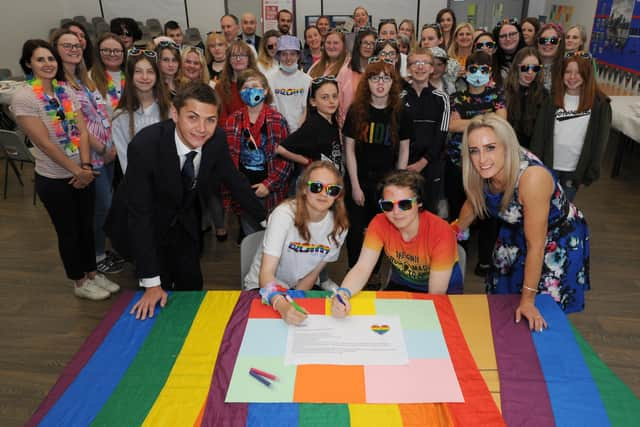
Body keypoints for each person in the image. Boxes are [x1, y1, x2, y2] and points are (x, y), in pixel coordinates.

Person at [109, 83, 265, 319]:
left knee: (191, 282)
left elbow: (235, 181)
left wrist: (269, 220)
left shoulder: (216, 140)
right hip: (145, 220)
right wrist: (151, 283)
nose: (202, 129)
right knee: (157, 289)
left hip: (183, 216)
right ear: (174, 113)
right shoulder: (145, 145)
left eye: (210, 120)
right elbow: (139, 216)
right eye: (193, 118)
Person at [456, 113, 590, 327]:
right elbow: (473, 203)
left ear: (507, 147)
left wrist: (528, 300)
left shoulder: (532, 178)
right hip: (515, 230)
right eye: (474, 151)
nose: (482, 159)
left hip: (552, 241)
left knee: (540, 312)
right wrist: (453, 232)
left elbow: (536, 245)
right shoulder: (480, 171)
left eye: (490, 147)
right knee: (501, 300)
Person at [13, 39, 116, 300]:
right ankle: (80, 281)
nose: (48, 64)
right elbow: (45, 144)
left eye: (50, 59)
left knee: (87, 225)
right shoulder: (24, 97)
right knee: (68, 231)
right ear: (28, 63)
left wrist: (84, 166)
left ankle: (92, 273)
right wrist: (76, 171)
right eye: (40, 59)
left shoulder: (65, 91)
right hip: (55, 178)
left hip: (82, 171)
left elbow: (81, 131)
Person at [331, 170, 463, 317]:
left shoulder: (441, 232)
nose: (396, 212)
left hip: (443, 292)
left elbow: (436, 293)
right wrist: (343, 294)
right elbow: (362, 267)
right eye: (388, 205)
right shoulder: (379, 223)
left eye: (404, 204)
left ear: (419, 202)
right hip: (402, 285)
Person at [245, 161, 349, 325]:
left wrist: (295, 301)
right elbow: (266, 274)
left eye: (332, 190)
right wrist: (281, 304)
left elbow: (313, 274)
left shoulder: (339, 227)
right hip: (264, 288)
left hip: (300, 288)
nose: (323, 194)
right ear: (304, 189)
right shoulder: (284, 215)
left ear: (338, 195)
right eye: (316, 187)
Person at [343, 60, 411, 267]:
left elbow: (404, 151)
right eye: (374, 78)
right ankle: (354, 269)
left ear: (393, 83)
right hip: (359, 180)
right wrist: (355, 186)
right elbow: (349, 150)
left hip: (386, 184)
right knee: (355, 231)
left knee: (381, 230)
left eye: (386, 78)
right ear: (367, 82)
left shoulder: (401, 113)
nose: (380, 83)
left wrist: (398, 186)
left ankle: (373, 273)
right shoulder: (356, 111)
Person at [531, 52, 611, 202]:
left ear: (587, 74)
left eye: (578, 72)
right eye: (568, 72)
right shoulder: (551, 100)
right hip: (549, 167)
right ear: (562, 74)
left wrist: (590, 172)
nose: (572, 77)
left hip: (574, 171)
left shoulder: (600, 104)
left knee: (563, 209)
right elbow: (539, 136)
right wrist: (536, 164)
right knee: (541, 205)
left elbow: (599, 143)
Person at [223, 69, 292, 234]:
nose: (250, 90)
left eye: (255, 86)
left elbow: (286, 160)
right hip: (245, 193)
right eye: (245, 87)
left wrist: (268, 185)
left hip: (272, 191)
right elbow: (228, 159)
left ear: (265, 90)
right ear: (240, 93)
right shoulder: (232, 120)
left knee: (275, 235)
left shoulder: (277, 120)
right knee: (251, 235)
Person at [402, 48, 449, 216]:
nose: (420, 67)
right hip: (405, 166)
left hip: (431, 166)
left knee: (429, 213)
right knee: (405, 211)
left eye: (425, 63)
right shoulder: (399, 97)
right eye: (415, 63)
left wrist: (423, 162)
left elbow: (441, 136)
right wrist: (403, 165)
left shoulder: (441, 98)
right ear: (408, 68)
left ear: (432, 68)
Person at [112, 51, 171, 173]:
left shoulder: (170, 111)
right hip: (137, 184)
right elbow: (124, 159)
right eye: (138, 71)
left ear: (157, 76)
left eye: (150, 72)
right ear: (130, 75)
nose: (145, 77)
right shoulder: (120, 115)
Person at [277, 75, 342, 171]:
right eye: (325, 97)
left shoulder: (333, 121)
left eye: (334, 96)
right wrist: (308, 162)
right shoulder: (312, 125)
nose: (331, 101)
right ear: (313, 101)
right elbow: (281, 149)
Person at [504, 47, 548, 148]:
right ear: (516, 67)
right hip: (507, 150)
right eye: (525, 68)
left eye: (535, 68)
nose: (530, 72)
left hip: (533, 152)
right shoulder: (504, 92)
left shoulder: (543, 95)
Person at [267, 35, 312, 133]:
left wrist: (298, 132)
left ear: (298, 56)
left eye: (292, 54)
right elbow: (272, 108)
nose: (288, 58)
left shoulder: (307, 80)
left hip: (301, 131)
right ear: (278, 56)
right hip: (278, 130)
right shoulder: (270, 79)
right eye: (284, 54)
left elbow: (305, 110)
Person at [337, 28, 377, 127]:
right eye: (365, 43)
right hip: (349, 125)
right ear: (358, 44)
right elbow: (339, 104)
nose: (368, 46)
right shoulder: (345, 71)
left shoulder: (378, 71)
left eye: (372, 44)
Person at [216, 40, 260, 124]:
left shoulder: (258, 84)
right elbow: (222, 119)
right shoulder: (220, 87)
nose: (238, 59)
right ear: (229, 60)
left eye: (242, 55)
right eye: (234, 55)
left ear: (249, 59)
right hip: (231, 132)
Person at [91, 33, 126, 119]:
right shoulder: (89, 78)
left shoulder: (132, 75)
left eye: (117, 51)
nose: (112, 54)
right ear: (98, 53)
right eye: (106, 50)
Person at [537, 23, 565, 92]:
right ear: (537, 42)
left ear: (560, 44)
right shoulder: (527, 65)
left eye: (553, 41)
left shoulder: (566, 69)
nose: (548, 43)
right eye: (543, 40)